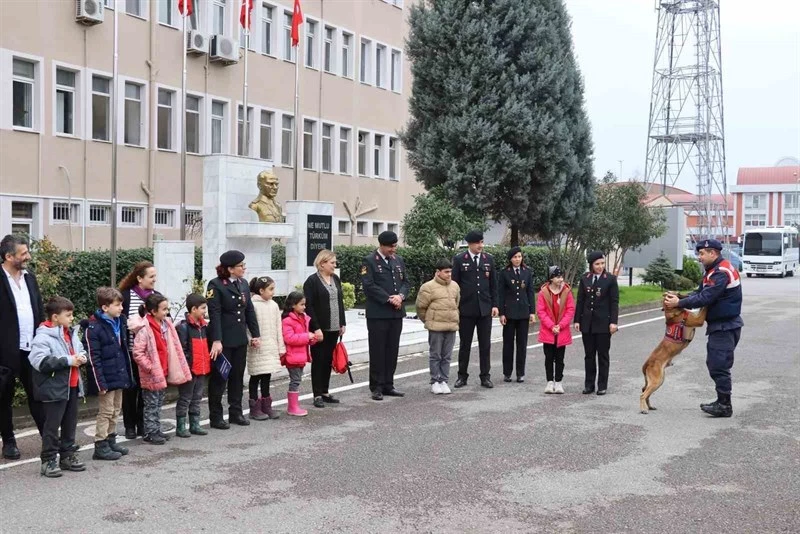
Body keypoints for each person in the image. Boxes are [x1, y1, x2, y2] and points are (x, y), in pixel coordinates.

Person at [664, 239, 743, 418]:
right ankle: (722, 401)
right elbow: (700, 293)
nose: (699, 257)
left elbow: (705, 297)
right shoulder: (714, 270)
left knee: (719, 364)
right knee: (716, 363)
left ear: (712, 253)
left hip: (725, 326)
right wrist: (681, 296)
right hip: (722, 325)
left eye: (701, 254)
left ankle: (724, 405)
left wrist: (679, 303)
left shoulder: (720, 273)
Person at [27, 296, 86, 478]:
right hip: (54, 388)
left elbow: (80, 349)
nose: (71, 318)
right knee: (52, 427)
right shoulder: (42, 336)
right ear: (54, 317)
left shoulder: (70, 332)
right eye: (68, 315)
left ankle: (67, 456)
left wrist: (82, 356)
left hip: (72, 385)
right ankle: (48, 460)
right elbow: (39, 361)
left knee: (70, 423)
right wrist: (69, 360)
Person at [0, 234, 45, 460]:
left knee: (37, 395)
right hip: (5, 353)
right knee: (4, 400)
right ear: (9, 256)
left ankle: (48, 439)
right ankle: (9, 442)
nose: (27, 256)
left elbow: (39, 309)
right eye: (23, 253)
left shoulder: (30, 278)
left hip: (31, 348)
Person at [206, 250, 261, 428]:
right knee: (220, 377)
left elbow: (249, 310)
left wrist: (255, 334)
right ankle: (216, 416)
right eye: (240, 266)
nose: (244, 268)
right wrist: (216, 340)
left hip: (239, 338)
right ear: (230, 269)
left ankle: (235, 412)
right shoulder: (215, 285)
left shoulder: (243, 283)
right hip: (223, 340)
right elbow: (214, 314)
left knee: (237, 376)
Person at [132, 294, 191, 444]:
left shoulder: (165, 326)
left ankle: (156, 429)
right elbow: (138, 352)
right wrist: (150, 367)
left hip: (163, 371)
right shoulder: (145, 329)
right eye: (163, 309)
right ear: (152, 311)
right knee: (151, 404)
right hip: (152, 373)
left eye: (167, 309)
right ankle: (150, 432)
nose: (166, 312)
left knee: (158, 403)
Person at [85, 287, 135, 461]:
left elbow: (122, 350)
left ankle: (111, 439)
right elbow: (94, 358)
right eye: (117, 305)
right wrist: (100, 383)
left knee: (115, 410)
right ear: (105, 307)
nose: (121, 308)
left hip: (118, 374)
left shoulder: (119, 321)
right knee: (105, 412)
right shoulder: (94, 327)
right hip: (105, 377)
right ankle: (100, 445)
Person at [361, 231, 410, 401]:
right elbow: (369, 286)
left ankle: (389, 384)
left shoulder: (398, 260)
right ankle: (376, 386)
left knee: (392, 350)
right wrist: (389, 299)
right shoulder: (369, 261)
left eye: (395, 246)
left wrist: (401, 296)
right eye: (391, 246)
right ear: (382, 245)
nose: (393, 249)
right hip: (378, 314)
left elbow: (406, 283)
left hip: (396, 314)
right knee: (378, 350)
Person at [451, 230, 499, 389]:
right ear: (470, 244)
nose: (481, 246)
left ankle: (485, 376)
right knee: (465, 344)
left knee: (485, 345)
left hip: (484, 309)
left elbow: (494, 285)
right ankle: (462, 376)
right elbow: (454, 285)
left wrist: (495, 305)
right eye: (478, 243)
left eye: (482, 242)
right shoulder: (459, 259)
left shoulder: (488, 259)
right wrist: (456, 306)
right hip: (466, 309)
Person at [118, 261, 157, 439]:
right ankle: (129, 425)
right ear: (140, 278)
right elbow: (118, 320)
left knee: (145, 389)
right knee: (130, 389)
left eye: (155, 276)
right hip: (130, 351)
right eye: (151, 276)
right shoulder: (125, 296)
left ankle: (142, 424)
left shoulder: (156, 297)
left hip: (150, 353)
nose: (154, 280)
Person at [303, 250, 346, 409]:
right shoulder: (312, 281)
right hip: (320, 328)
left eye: (335, 263)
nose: (335, 265)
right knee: (319, 360)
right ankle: (317, 394)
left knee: (328, 359)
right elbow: (309, 307)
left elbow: (340, 301)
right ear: (322, 264)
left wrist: (342, 322)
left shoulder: (335, 279)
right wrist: (316, 328)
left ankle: (325, 391)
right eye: (332, 263)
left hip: (334, 327)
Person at [574, 251, 619, 395]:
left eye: (602, 263)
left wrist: (613, 322)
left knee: (603, 355)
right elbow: (580, 300)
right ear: (591, 265)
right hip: (587, 323)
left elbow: (614, 302)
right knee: (589, 355)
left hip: (603, 323)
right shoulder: (585, 278)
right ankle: (589, 384)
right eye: (597, 264)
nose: (600, 266)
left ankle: (602, 385)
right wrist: (577, 320)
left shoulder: (610, 279)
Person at [415, 258, 460, 395]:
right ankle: (435, 381)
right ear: (438, 272)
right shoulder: (427, 287)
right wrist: (429, 321)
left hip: (451, 326)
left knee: (447, 356)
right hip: (435, 327)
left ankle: (444, 380)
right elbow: (420, 307)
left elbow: (456, 303)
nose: (449, 275)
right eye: (446, 272)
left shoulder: (455, 286)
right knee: (435, 355)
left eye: (450, 272)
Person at [246, 277, 284, 420]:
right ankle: (254, 408)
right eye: (271, 289)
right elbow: (247, 326)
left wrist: (281, 347)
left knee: (267, 376)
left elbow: (278, 328)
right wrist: (251, 340)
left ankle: (266, 406)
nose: (273, 292)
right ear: (261, 290)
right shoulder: (252, 305)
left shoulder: (274, 305)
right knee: (255, 376)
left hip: (270, 347)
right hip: (257, 347)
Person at [175, 293, 213, 437]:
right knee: (185, 397)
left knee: (197, 397)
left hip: (202, 367)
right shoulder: (184, 327)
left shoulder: (203, 326)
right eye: (203, 308)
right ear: (193, 309)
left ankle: (194, 424)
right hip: (190, 369)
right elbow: (182, 350)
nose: (205, 311)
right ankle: (180, 426)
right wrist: (187, 366)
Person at [498, 246, 535, 383]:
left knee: (522, 344)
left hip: (523, 312)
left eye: (519, 256)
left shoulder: (527, 272)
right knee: (508, 344)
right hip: (509, 313)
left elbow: (530, 292)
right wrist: (502, 313)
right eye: (515, 257)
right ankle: (507, 372)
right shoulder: (504, 273)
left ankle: (520, 373)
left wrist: (532, 312)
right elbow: (500, 294)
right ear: (510, 259)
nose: (517, 259)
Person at [537, 266, 575, 394]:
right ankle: (549, 382)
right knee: (548, 358)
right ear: (551, 278)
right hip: (548, 331)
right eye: (558, 277)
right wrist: (551, 326)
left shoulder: (566, 291)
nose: (561, 279)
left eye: (561, 277)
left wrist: (561, 325)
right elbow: (541, 312)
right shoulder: (544, 293)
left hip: (562, 331)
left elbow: (570, 310)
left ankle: (558, 382)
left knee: (560, 359)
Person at [281, 291, 318, 417]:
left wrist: (311, 339)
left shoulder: (303, 318)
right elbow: (289, 338)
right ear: (293, 305)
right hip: (293, 356)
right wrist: (307, 336)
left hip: (301, 354)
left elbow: (302, 337)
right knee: (295, 380)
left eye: (304, 304)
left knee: (297, 379)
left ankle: (294, 405)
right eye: (301, 304)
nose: (304, 307)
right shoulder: (287, 320)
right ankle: (292, 407)